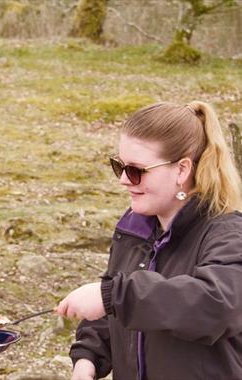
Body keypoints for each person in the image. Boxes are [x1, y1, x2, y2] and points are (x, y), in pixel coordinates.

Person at [56, 101, 242, 380]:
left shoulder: (228, 235)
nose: (123, 180)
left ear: (182, 170)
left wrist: (112, 296)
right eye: (118, 166)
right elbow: (116, 312)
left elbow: (215, 306)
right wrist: (88, 358)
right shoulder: (134, 230)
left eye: (136, 170)